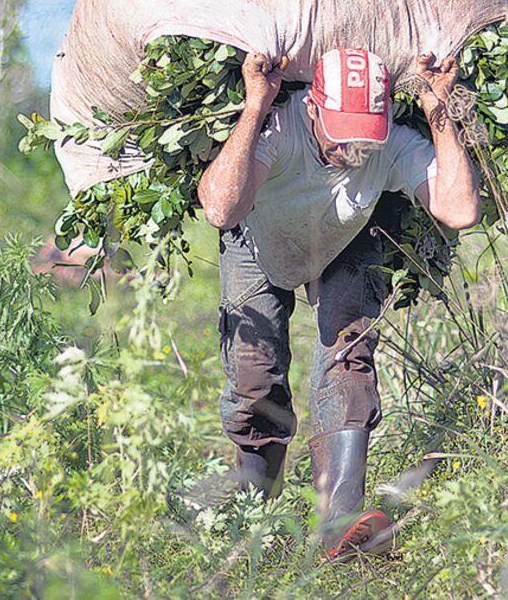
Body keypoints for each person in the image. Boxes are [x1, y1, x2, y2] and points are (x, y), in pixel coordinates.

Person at [196, 47, 480, 560]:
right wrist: (255, 103)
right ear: (311, 109)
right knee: (254, 379)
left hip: (341, 243)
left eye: (363, 138)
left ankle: (339, 530)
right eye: (339, 133)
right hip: (257, 241)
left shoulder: (389, 144)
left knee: (349, 359)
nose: (352, 150)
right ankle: (254, 522)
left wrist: (438, 111)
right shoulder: (280, 128)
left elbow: (459, 209)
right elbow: (219, 207)